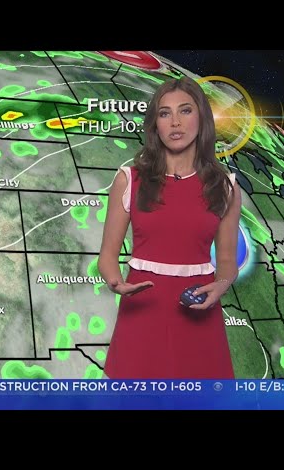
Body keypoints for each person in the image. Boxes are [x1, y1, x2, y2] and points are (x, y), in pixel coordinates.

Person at [98, 76, 242, 379]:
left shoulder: (225, 186)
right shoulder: (129, 180)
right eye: (165, 113)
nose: (175, 122)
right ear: (155, 124)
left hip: (200, 313)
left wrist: (222, 284)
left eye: (185, 111)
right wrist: (116, 283)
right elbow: (107, 256)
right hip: (141, 314)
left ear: (202, 119)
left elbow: (227, 259)